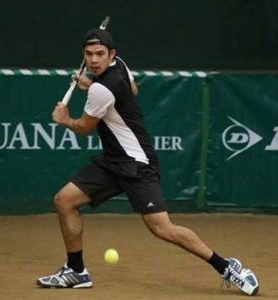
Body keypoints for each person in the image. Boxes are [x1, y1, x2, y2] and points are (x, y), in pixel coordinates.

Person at [36, 28, 259, 296]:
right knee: (65, 201)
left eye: (100, 54)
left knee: (162, 229)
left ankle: (227, 267)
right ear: (83, 56)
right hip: (112, 160)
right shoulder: (119, 68)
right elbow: (132, 89)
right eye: (89, 54)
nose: (94, 60)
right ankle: (76, 271)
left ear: (111, 55)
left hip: (135, 164)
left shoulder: (101, 90)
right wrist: (91, 85)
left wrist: (64, 119)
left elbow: (84, 127)